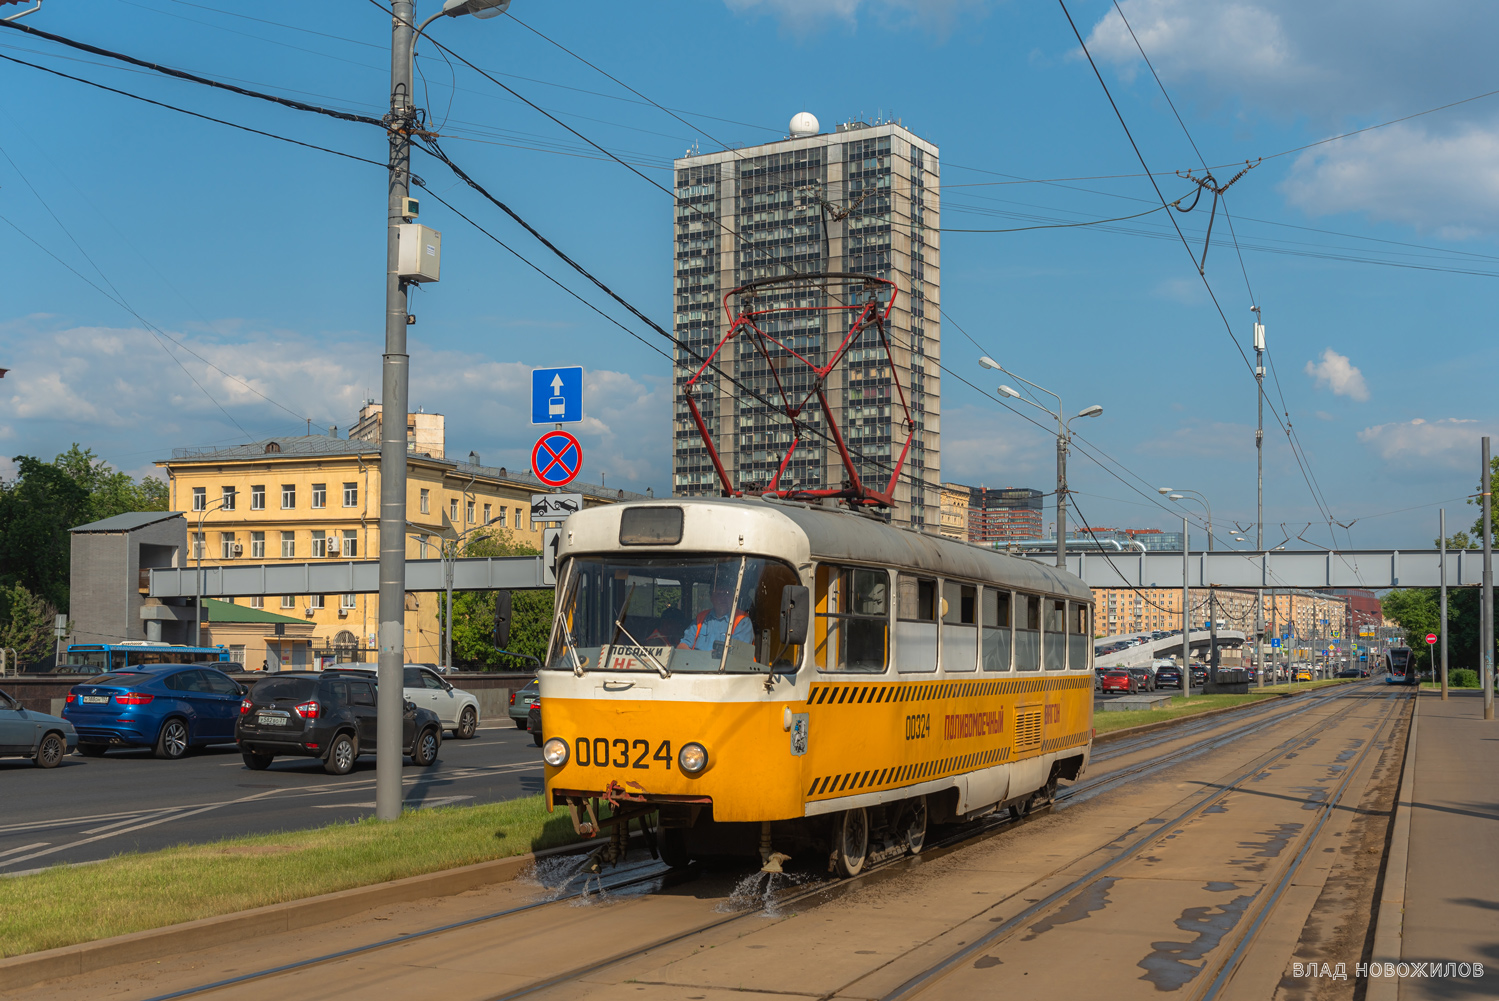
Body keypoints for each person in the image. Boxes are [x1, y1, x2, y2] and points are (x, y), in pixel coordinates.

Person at [679, 583, 755, 651]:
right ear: (711, 598)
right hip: (696, 665)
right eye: (719, 594)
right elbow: (683, 645)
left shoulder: (742, 621)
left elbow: (737, 653)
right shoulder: (700, 618)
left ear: (733, 597)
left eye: (727, 593)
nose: (723, 598)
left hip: (727, 667)